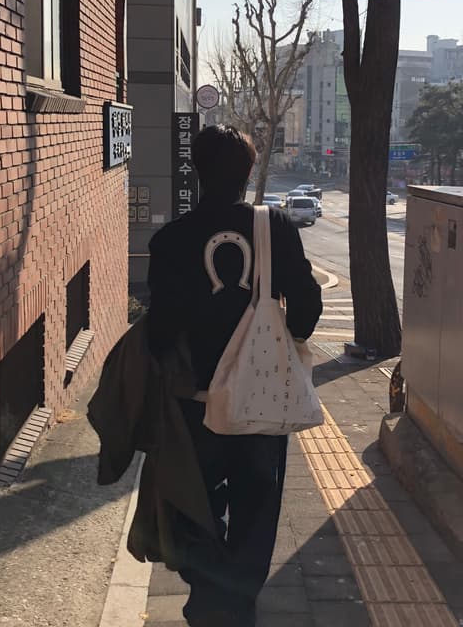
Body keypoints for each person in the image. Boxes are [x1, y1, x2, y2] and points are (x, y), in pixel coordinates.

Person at [147, 124, 322, 626]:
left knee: (192, 504)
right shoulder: (276, 228)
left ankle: (207, 599)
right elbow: (307, 304)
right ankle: (236, 605)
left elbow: (161, 330)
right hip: (261, 397)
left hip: (194, 401)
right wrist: (286, 335)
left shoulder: (171, 240)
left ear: (196, 171)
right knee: (257, 506)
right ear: (248, 172)